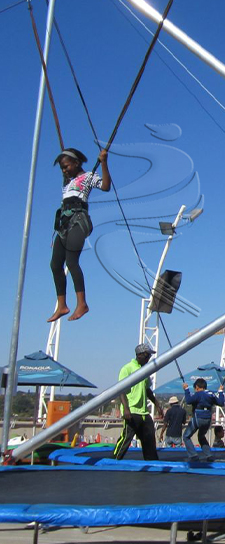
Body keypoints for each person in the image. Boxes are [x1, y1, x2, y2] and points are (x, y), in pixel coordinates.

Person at [48, 147, 111, 322]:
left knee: (71, 261)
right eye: (62, 167)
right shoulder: (67, 182)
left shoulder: (88, 177)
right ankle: (62, 305)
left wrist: (104, 162)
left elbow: (106, 186)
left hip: (78, 220)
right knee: (55, 264)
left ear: (76, 163)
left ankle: (82, 304)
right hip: (64, 223)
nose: (64, 170)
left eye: (66, 166)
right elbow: (65, 170)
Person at [113, 343, 162, 460]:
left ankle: (152, 461)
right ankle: (113, 460)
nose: (149, 358)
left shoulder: (144, 371)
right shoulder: (127, 368)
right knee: (126, 438)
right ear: (140, 355)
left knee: (149, 439)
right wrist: (126, 408)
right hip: (132, 410)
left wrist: (157, 404)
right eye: (147, 356)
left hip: (143, 413)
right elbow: (121, 389)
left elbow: (147, 389)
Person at [183, 378, 224, 461]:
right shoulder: (211, 394)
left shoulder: (199, 394)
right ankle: (209, 455)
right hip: (208, 419)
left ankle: (193, 455)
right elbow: (221, 403)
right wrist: (220, 392)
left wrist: (186, 389)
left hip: (198, 418)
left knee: (186, 436)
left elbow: (188, 400)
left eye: (195, 389)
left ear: (197, 387)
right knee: (201, 436)